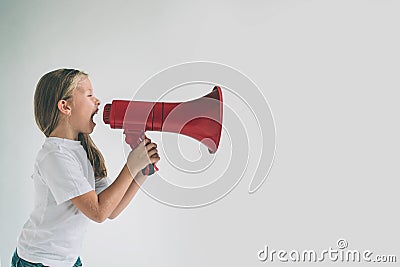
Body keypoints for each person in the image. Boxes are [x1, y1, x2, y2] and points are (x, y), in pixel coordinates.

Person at [11, 69, 160, 267]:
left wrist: (140, 172)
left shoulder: (81, 150)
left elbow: (111, 210)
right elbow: (98, 212)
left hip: (67, 261)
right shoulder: (55, 155)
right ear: (65, 107)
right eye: (89, 95)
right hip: (40, 260)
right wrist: (131, 165)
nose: (97, 101)